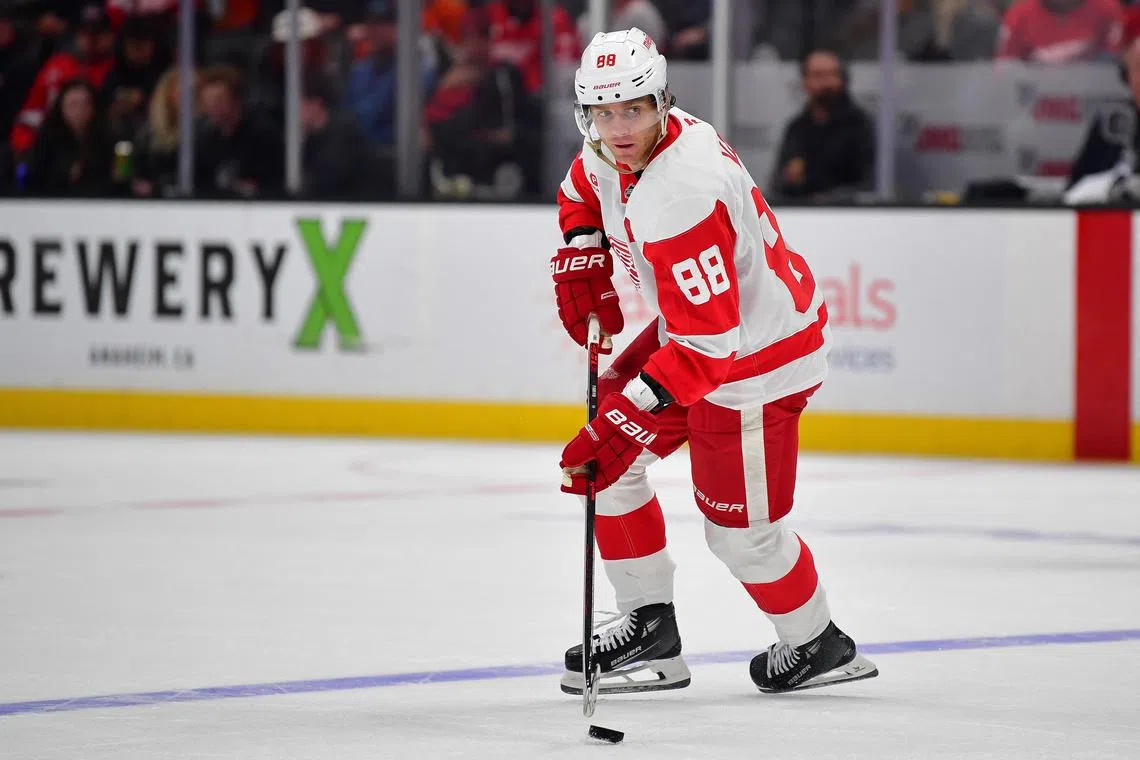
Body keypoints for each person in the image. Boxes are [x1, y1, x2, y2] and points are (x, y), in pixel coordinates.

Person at [551, 27, 878, 696]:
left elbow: (712, 346)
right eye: (604, 112)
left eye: (634, 109)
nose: (619, 127)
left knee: (741, 536)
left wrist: (627, 419)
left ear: (661, 101)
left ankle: (818, 643)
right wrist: (583, 250)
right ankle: (650, 629)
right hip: (697, 339)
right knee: (608, 470)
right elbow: (581, 189)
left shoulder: (682, 193)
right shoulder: (611, 147)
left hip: (755, 361)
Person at [771, 49, 875, 202]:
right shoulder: (797, 128)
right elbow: (778, 184)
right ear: (805, 82)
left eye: (832, 74)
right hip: (802, 211)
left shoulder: (860, 126)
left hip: (848, 212)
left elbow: (869, 184)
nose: (826, 82)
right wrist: (789, 178)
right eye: (818, 75)